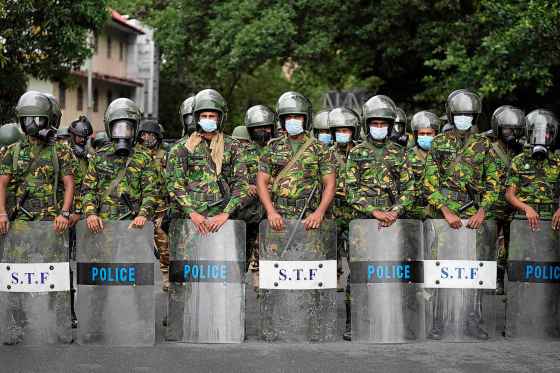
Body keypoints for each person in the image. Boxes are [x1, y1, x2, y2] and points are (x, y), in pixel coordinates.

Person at [0, 91, 76, 344]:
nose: (33, 125)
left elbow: (69, 184)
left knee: (55, 275)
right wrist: (2, 212)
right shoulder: (13, 151)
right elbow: (2, 184)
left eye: (39, 119)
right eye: (28, 119)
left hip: (50, 221)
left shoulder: (60, 150)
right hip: (20, 222)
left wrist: (65, 213)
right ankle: (14, 328)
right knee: (16, 276)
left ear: (48, 120)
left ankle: (59, 326)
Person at [166, 89, 250, 234]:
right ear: (197, 118)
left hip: (222, 221)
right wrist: (192, 213)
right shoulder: (182, 147)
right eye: (203, 116)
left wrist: (225, 214)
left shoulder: (233, 146)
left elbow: (241, 184)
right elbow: (174, 183)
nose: (208, 119)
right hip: (189, 221)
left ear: (220, 118)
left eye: (212, 116)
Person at [327, 107, 361, 340]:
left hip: (357, 219)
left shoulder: (362, 153)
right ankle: (317, 318)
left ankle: (352, 321)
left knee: (356, 270)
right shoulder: (324, 154)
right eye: (339, 130)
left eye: (346, 129)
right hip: (329, 218)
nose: (343, 133)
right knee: (324, 269)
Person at [489, 105, 525, 294]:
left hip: (513, 205)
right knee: (487, 243)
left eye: (514, 128)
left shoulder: (522, 150)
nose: (510, 132)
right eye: (506, 128)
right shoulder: (489, 148)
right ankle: (488, 278)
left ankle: (501, 277)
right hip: (492, 204)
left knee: (511, 244)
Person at [137, 118, 170, 291]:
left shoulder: (165, 155)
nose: (146, 137)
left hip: (161, 208)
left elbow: (172, 181)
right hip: (139, 209)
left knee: (164, 248)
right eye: (143, 134)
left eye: (150, 134)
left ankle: (166, 279)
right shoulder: (134, 155)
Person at [402, 111, 441, 219]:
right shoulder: (406, 156)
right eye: (422, 134)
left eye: (429, 134)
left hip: (440, 212)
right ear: (415, 135)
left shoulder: (443, 155)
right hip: (414, 213)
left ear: (436, 135)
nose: (425, 136)